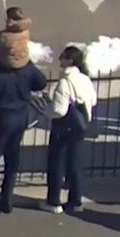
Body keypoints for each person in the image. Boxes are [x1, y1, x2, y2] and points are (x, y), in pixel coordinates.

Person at [0, 53, 48, 220]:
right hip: (21, 116)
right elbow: (41, 82)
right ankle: (7, 201)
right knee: (12, 157)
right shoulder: (26, 67)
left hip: (2, 117)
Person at [41, 46, 98, 215]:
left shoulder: (65, 82)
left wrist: (46, 110)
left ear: (70, 61)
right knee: (74, 164)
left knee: (56, 164)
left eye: (63, 57)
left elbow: (59, 110)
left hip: (63, 126)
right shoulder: (84, 79)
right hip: (79, 125)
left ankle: (54, 201)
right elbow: (93, 100)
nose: (60, 60)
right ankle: (75, 201)